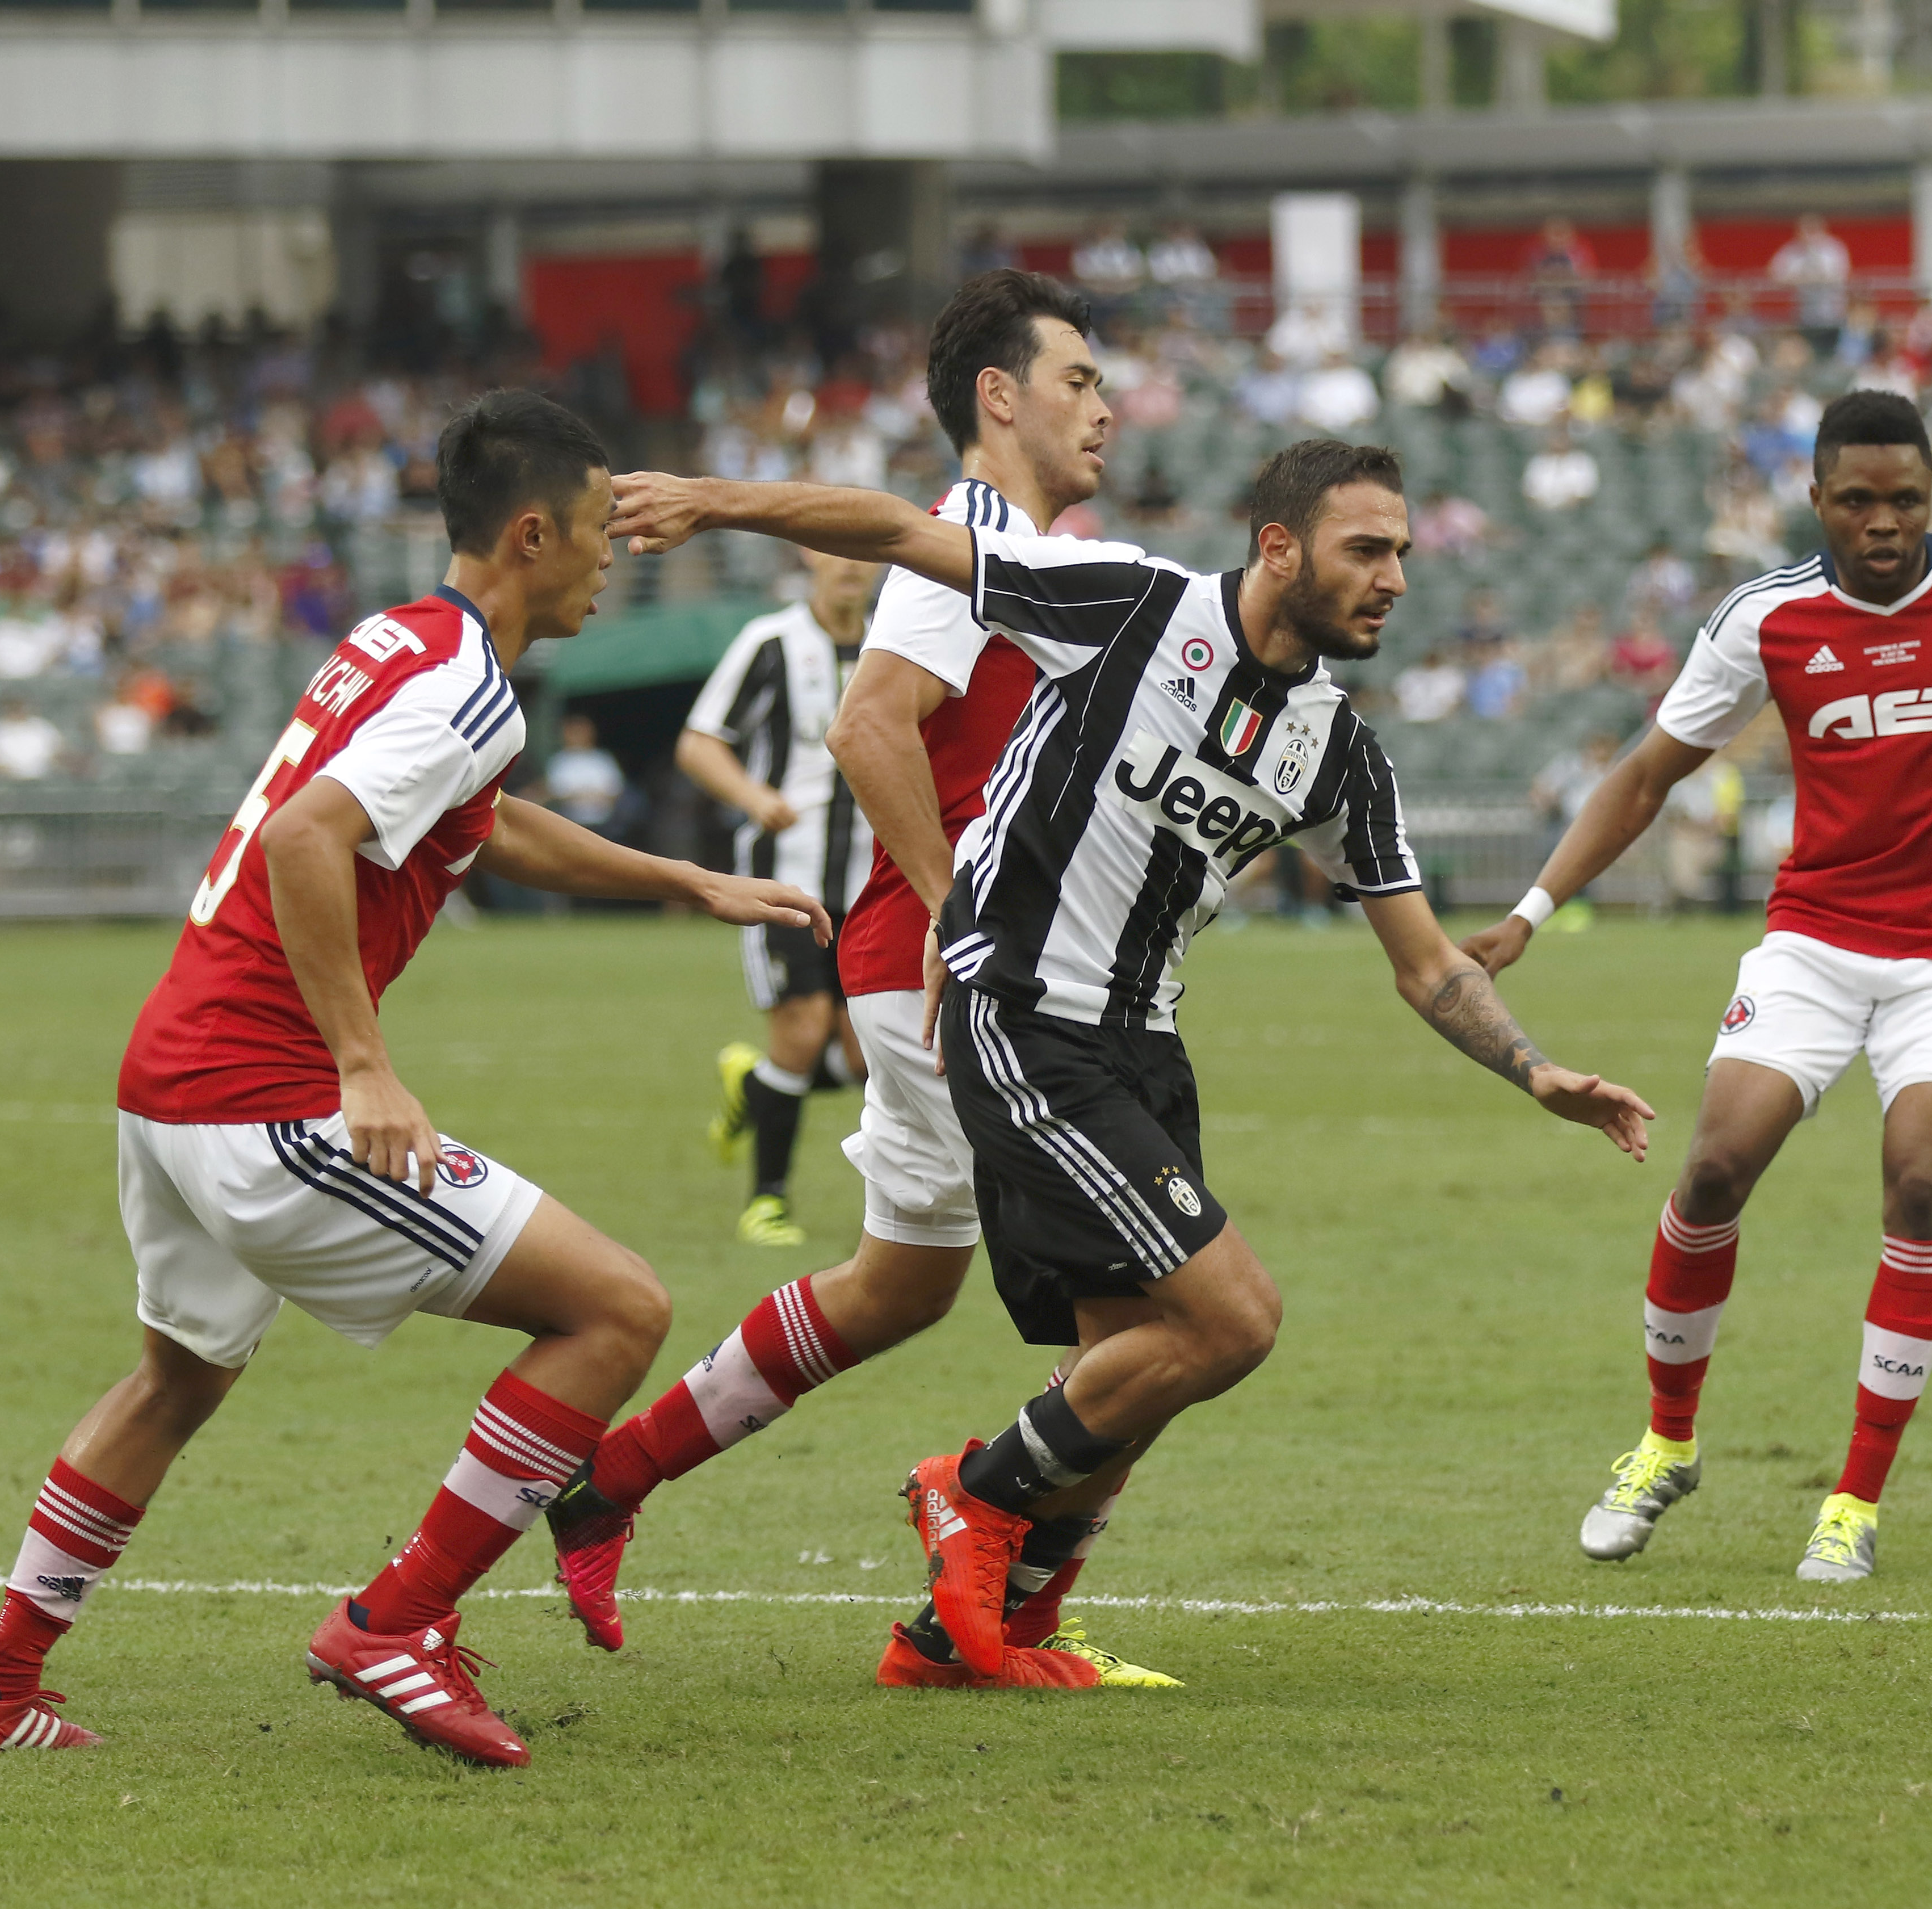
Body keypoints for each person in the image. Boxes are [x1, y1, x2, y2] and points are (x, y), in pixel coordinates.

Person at [605, 437, 1654, 1685]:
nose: (1395, 580)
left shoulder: (1337, 752)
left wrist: (1534, 1070)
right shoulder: (1132, 605)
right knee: (1229, 1320)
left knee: (1131, 1368)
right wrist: (712, 498)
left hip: (1142, 1043)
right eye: (1366, 550)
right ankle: (969, 1492)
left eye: (1403, 554)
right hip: (1019, 1015)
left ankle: (962, 1639)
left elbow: (1426, 961)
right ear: (1279, 548)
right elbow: (894, 528)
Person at [0, 391, 834, 1764]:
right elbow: (309, 838)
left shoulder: (404, 642)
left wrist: (681, 879)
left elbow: (477, 814)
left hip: (165, 1085)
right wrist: (367, 1065)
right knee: (615, 1309)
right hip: (265, 1100)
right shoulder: (464, 680)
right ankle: (398, 1620)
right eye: (597, 531)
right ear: (531, 533)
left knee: (174, 1382)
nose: (611, 557)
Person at [545, 270, 1173, 1689]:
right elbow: (867, 725)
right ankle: (997, 1610)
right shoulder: (972, 537)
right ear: (998, 399)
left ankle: (612, 1477)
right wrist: (973, 928)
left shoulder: (1020, 546)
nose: (1106, 404)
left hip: (909, 973)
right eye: (1078, 378)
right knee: (1154, 1321)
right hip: (945, 978)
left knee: (895, 1287)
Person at [1459, 391, 1932, 1584]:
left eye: (1904, 500)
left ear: (1931, 498)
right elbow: (1643, 777)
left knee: (1923, 1179)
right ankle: (1664, 1441)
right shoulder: (1766, 619)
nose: (1883, 522)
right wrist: (1531, 912)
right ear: (1816, 499)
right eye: (1857, 500)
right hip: (1815, 939)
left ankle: (1850, 1499)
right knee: (1714, 1163)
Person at [675, 552, 882, 1247]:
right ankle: (767, 1202)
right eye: (837, 553)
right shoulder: (771, 642)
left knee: (866, 1056)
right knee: (801, 1029)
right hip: (784, 880)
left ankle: (753, 1088)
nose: (851, 568)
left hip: (874, 885)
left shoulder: (897, 643)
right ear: (809, 559)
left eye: (865, 555)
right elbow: (700, 742)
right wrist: (752, 796)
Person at [1768, 214, 1851, 350]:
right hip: (1803, 315)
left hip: (1832, 314)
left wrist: (1816, 278)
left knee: (1831, 350)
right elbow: (1774, 274)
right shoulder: (1792, 251)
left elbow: (1841, 275)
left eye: (1813, 230)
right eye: (1805, 230)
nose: (1809, 235)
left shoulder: (1833, 249)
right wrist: (1801, 279)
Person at [541, 712, 628, 837]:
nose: (577, 736)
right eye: (573, 732)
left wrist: (584, 796)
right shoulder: (559, 761)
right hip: (570, 825)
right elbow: (555, 792)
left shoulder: (603, 759)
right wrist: (586, 796)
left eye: (581, 731)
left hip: (606, 825)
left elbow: (615, 792)